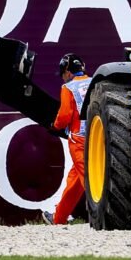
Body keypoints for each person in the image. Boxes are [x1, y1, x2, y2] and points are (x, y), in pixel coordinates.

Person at [44, 53, 91, 225]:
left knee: (90, 179)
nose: (63, 78)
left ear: (68, 72)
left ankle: (108, 214)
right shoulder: (95, 82)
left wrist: (54, 126)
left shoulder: (68, 88)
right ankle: (59, 218)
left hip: (79, 141)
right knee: (75, 182)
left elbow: (64, 116)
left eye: (63, 74)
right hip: (97, 138)